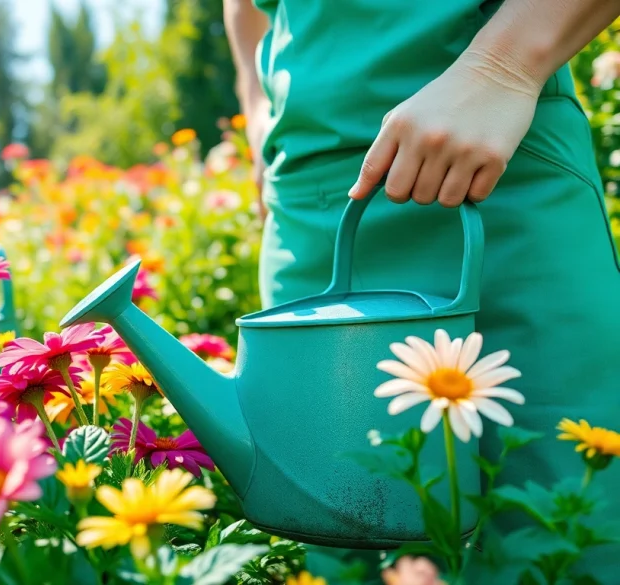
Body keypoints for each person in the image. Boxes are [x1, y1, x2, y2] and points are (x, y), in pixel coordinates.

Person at [224, 0, 620, 580]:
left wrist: (501, 67)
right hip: (314, 217)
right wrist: (256, 107)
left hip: (499, 173)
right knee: (344, 546)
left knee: (561, 525)